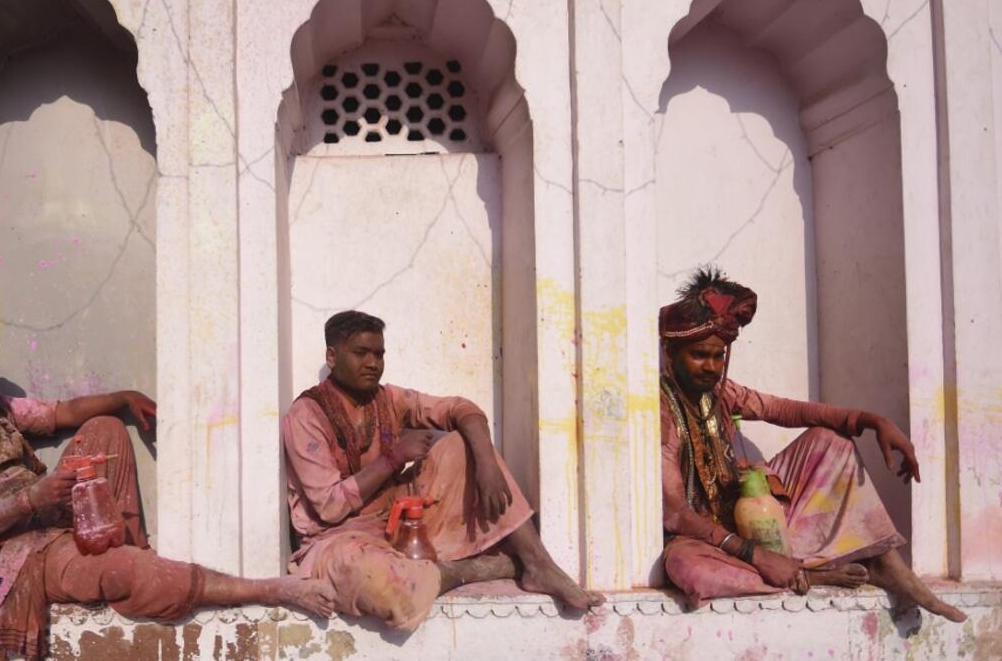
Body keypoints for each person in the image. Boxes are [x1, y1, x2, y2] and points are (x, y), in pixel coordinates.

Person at [0, 321, 335, 661]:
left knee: (104, 429)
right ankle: (269, 589)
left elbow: (62, 413)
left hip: (45, 515)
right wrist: (30, 501)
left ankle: (126, 548)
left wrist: (123, 397)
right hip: (4, 554)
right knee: (139, 575)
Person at [657, 268, 965, 622]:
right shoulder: (661, 413)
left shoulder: (721, 393)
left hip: (756, 521)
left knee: (828, 440)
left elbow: (785, 410)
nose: (711, 367)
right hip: (708, 541)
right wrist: (756, 556)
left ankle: (885, 563)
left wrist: (871, 420)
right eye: (699, 355)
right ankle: (809, 574)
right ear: (670, 352)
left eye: (719, 356)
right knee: (690, 570)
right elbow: (678, 514)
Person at [282, 310, 603, 631]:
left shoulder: (388, 398)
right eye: (361, 353)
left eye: (379, 354)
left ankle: (537, 564)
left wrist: (487, 462)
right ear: (332, 356)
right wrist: (395, 457)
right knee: (381, 585)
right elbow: (328, 505)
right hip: (338, 540)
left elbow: (460, 408)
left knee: (460, 445)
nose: (372, 363)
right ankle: (479, 568)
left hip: (398, 521)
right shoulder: (306, 416)